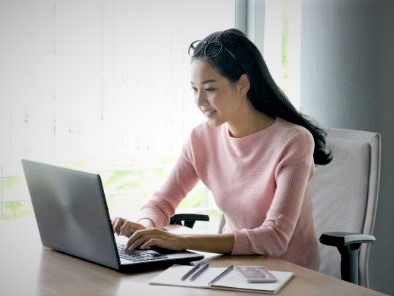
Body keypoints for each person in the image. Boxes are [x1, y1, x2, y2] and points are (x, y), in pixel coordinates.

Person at [112, 28, 332, 270]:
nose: (200, 101)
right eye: (195, 89)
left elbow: (275, 238)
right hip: (233, 269)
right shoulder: (201, 138)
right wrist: (145, 226)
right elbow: (161, 203)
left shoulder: (294, 141)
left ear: (243, 84)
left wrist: (180, 240)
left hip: (290, 276)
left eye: (210, 89)